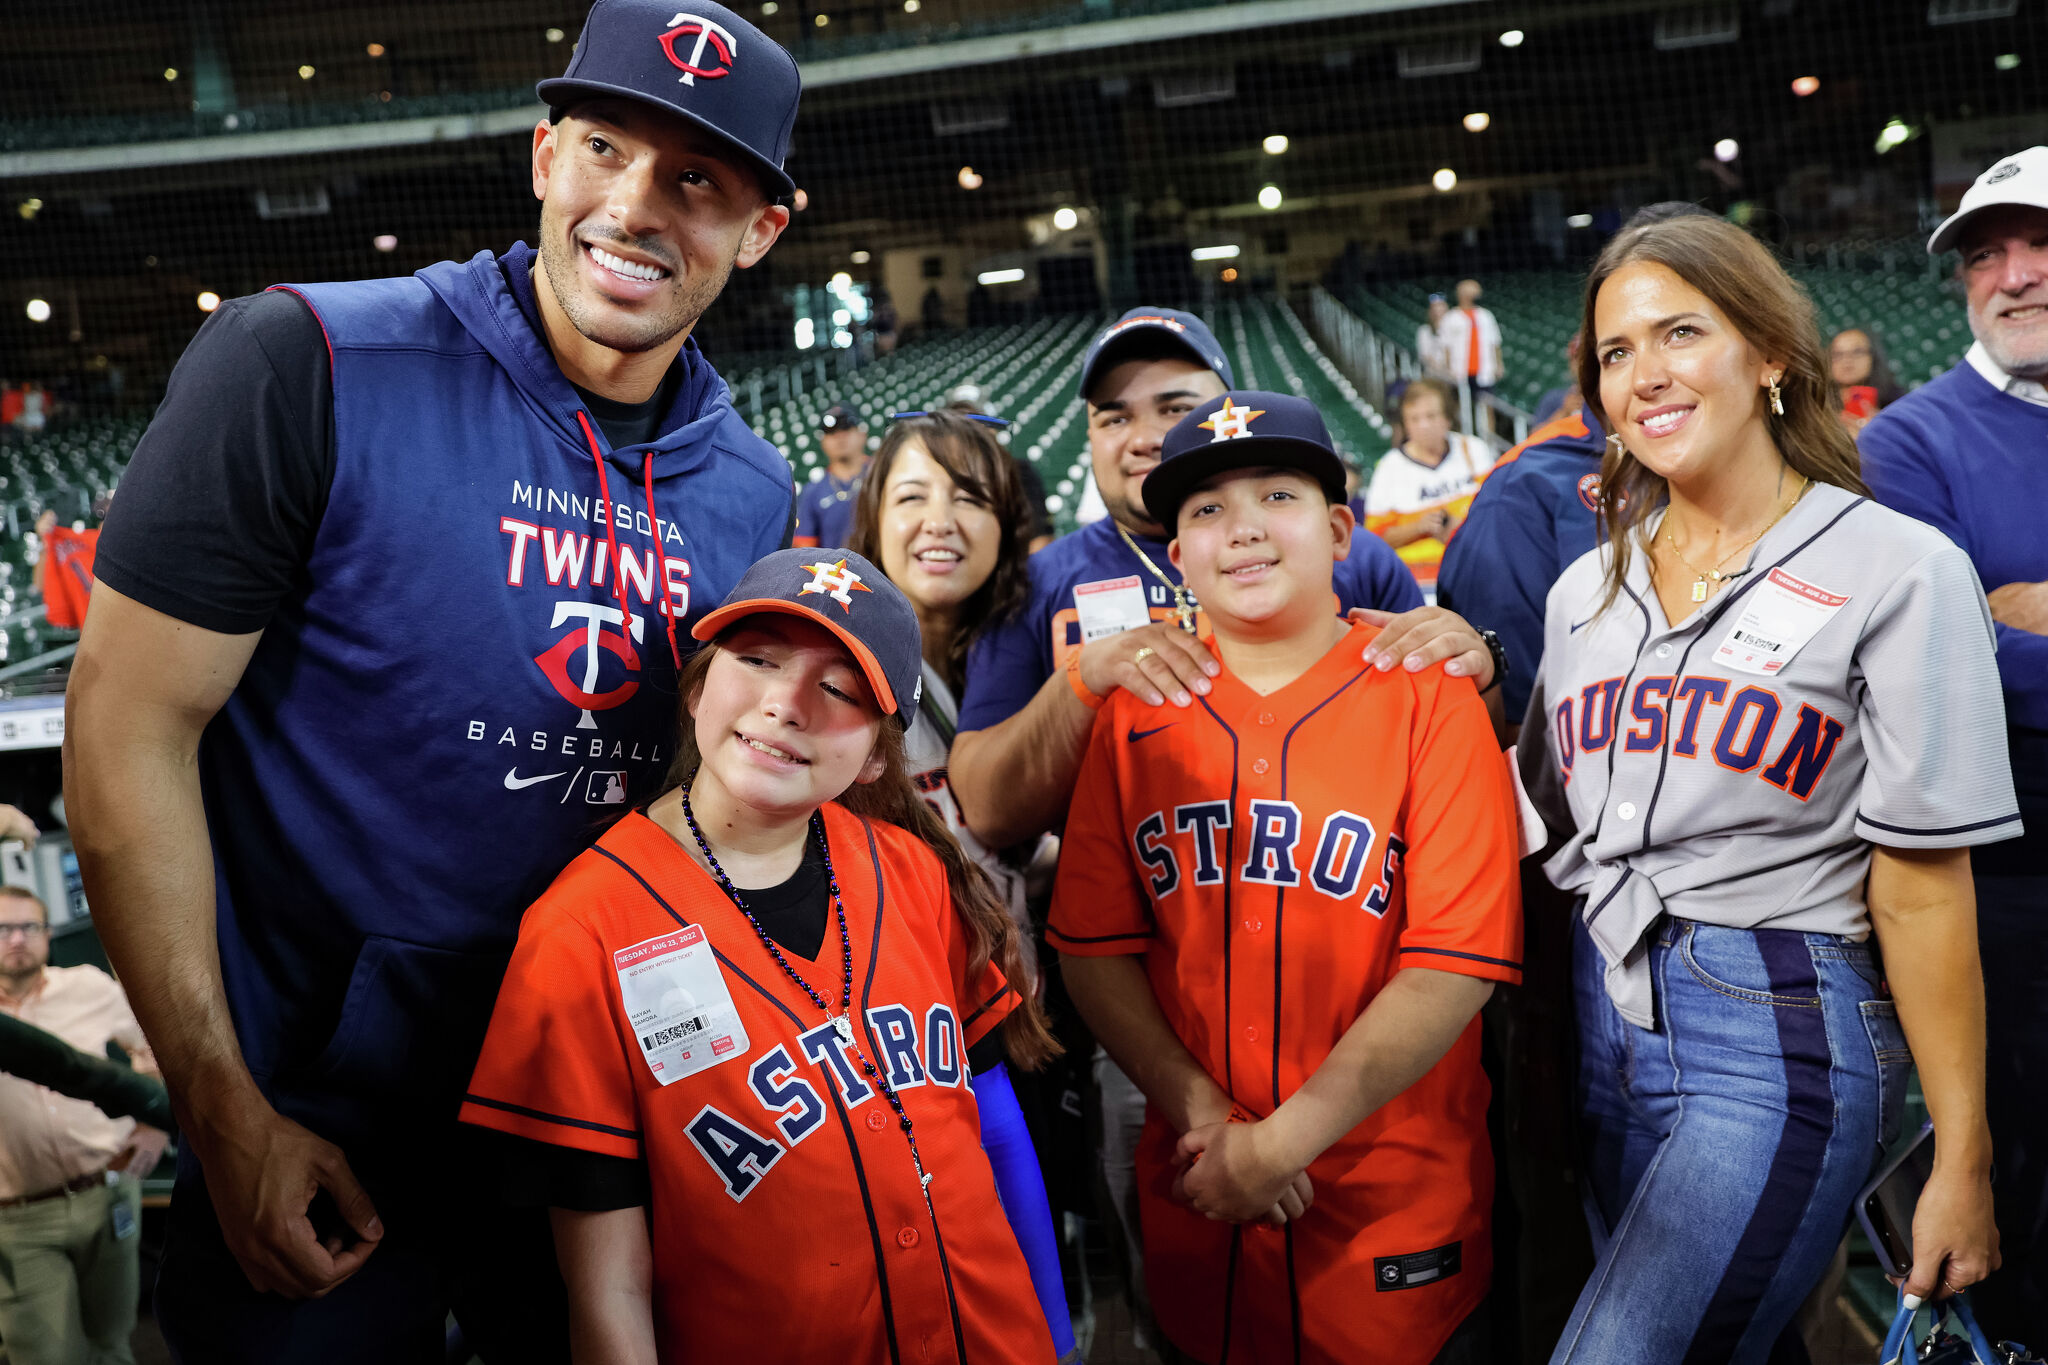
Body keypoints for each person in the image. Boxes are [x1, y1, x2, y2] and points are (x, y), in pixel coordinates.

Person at [63, 2, 802, 1359]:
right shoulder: (305, 360)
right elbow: (124, 731)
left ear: (761, 231)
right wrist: (222, 1110)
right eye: (604, 147)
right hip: (309, 1123)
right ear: (541, 156)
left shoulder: (753, 490)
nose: (635, 205)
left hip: (588, 1130)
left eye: (696, 178)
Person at [946, 309, 1505, 1344]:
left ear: (1341, 533)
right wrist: (1211, 1124)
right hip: (1197, 1174)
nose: (1242, 527)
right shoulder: (1125, 702)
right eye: (1205, 508)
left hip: (1385, 1188)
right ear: (1176, 545)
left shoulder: (1422, 682)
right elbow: (1093, 944)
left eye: (1279, 496)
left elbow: (1453, 961)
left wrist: (1276, 1145)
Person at [1522, 213, 2012, 1362]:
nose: (1643, 375)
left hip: (1780, 1023)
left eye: (1679, 331)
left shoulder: (1898, 566)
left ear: (1767, 355)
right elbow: (1539, 824)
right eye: (1613, 352)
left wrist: (1960, 1155)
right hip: (1603, 1008)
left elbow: (1922, 892)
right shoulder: (1579, 591)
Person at [459, 549, 1069, 1363]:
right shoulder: (580, 928)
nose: (785, 703)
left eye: (841, 688)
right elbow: (608, 1284)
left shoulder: (913, 870)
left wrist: (1054, 1338)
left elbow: (994, 1128)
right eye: (755, 660)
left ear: (881, 754)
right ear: (696, 686)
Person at [1857, 144, 2048, 1341]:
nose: (2012, 275)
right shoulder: (1907, 443)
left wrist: (2020, 607)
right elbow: (1950, 663)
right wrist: (1992, 627)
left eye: (2038, 247)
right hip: (2010, 887)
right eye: (1985, 255)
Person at [846, 410, 1048, 953]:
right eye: (913, 497)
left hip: (1014, 995)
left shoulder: (1035, 657)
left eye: (970, 498)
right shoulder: (831, 667)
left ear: (1007, 524)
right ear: (875, 517)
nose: (940, 520)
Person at [0, 886, 170, 1365]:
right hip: (19, 1216)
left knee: (112, 1342)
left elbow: (154, 1043)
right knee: (44, 1356)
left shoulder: (88, 987)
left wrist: (156, 1123)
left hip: (109, 1191)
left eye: (28, 927)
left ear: (48, 935)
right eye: (2, 929)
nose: (16, 939)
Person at [1364, 377, 1498, 599]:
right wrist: (1419, 527)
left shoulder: (1473, 450)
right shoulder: (1390, 468)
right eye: (1414, 419)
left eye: (1431, 416)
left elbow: (1498, 509)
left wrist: (1461, 525)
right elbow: (1376, 540)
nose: (1423, 425)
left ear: (1447, 418)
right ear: (1405, 424)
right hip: (1422, 587)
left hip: (1478, 568)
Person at [793, 404, 868, 549]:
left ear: (862, 434)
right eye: (831, 432)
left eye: (846, 428)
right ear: (823, 443)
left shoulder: (885, 475)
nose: (839, 436)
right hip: (838, 570)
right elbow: (805, 550)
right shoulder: (812, 492)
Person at [1437, 280, 1504, 435]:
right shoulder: (1451, 317)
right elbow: (1446, 346)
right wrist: (1447, 368)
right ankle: (1461, 439)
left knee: (1487, 408)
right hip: (1459, 371)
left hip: (1484, 370)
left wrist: (1498, 364)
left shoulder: (1486, 315)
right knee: (1458, 408)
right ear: (1463, 294)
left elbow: (1495, 342)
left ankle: (1489, 443)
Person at [1828, 326, 1902, 436]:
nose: (1847, 361)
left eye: (1857, 352)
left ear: (1873, 356)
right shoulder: (1816, 403)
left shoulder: (1895, 402)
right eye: (1837, 354)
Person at [35, 506, 99, 631]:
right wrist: (44, 542)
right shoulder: (52, 548)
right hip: (93, 624)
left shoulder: (92, 536)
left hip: (116, 609)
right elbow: (39, 585)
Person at [1417, 294, 1452, 379]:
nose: (1438, 312)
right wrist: (1440, 369)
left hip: (1453, 374)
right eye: (1435, 309)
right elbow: (1425, 355)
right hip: (1433, 375)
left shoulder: (1453, 329)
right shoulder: (1424, 330)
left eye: (1441, 309)